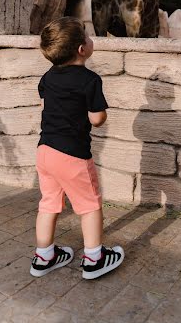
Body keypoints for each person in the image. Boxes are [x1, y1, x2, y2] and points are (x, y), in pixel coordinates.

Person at [29, 16, 124, 280]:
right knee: (90, 205)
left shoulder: (47, 78)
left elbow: (45, 108)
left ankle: (44, 255)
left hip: (45, 151)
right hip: (72, 156)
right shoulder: (89, 80)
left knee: (48, 204)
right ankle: (95, 259)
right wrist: (98, 115)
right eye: (87, 36)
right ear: (82, 49)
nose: (90, 39)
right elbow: (96, 119)